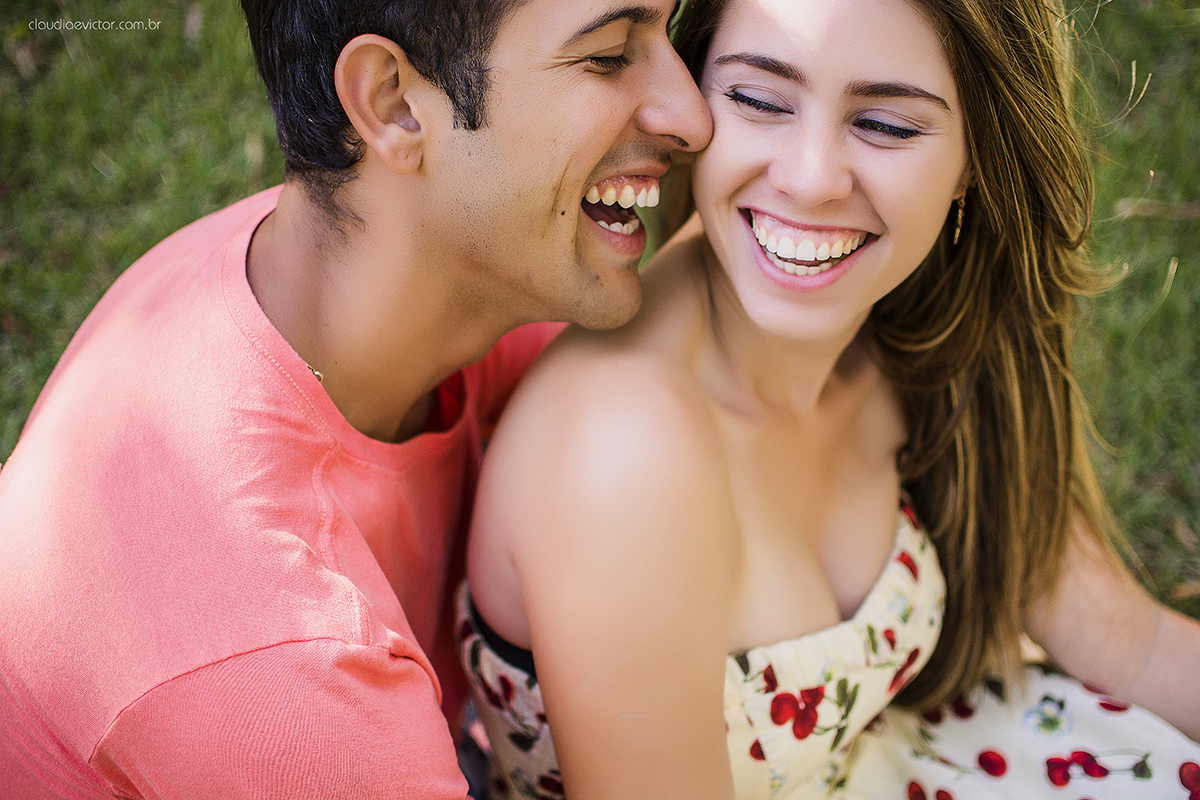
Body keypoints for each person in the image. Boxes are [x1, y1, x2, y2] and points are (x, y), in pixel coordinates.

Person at [457, 0, 1200, 796]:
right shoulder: (623, 451)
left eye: (885, 124)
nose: (810, 180)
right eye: (760, 101)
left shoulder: (924, 326)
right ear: (693, 101)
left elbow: (1125, 641)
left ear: (976, 156)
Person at [0, 1, 711, 797]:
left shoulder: (339, 272)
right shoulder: (292, 674)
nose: (694, 116)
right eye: (610, 55)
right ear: (393, 103)